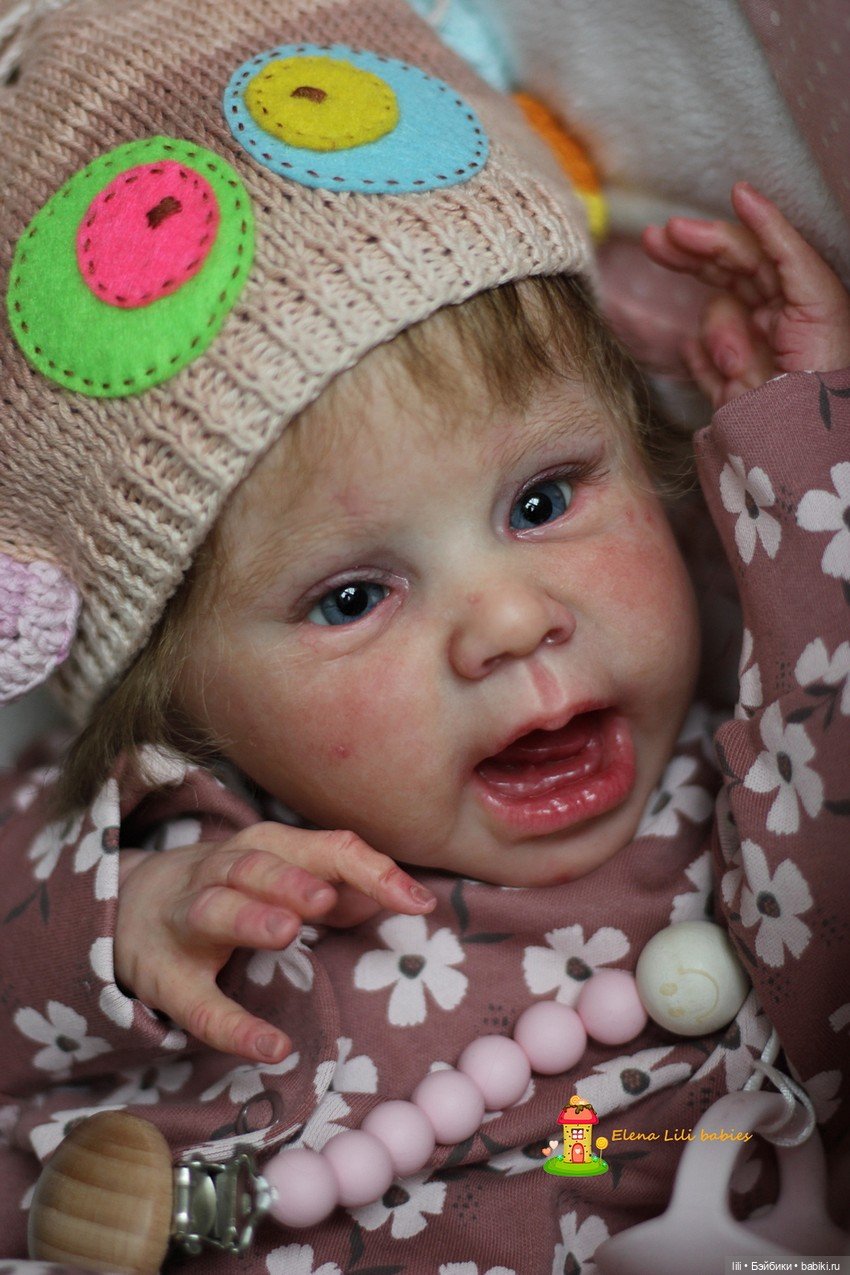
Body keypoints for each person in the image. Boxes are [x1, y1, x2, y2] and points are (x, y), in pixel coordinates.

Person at [1, 0, 848, 1269]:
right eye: (351, 598)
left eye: (543, 501)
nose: (507, 621)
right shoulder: (163, 851)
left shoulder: (757, 809)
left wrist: (800, 456)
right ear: (175, 701)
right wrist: (119, 929)